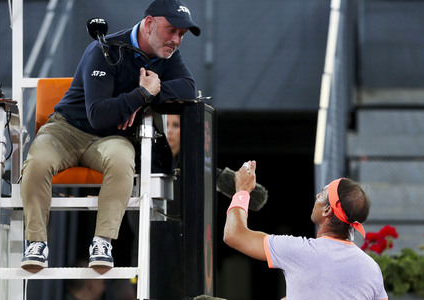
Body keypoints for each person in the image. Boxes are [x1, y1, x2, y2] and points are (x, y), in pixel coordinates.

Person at [20, 0, 201, 270]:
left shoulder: (167, 53)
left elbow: (188, 89)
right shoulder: (103, 49)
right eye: (172, 30)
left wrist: (147, 95)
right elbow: (99, 115)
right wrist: (140, 95)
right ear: (149, 23)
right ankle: (36, 242)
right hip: (66, 130)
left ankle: (102, 241)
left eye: (182, 35)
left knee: (121, 160)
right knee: (37, 162)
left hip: (112, 139)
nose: (176, 40)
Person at [224, 161, 388, 300]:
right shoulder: (371, 268)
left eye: (323, 193)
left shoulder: (298, 251)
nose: (317, 196)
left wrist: (242, 191)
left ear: (327, 210)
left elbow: (234, 234)